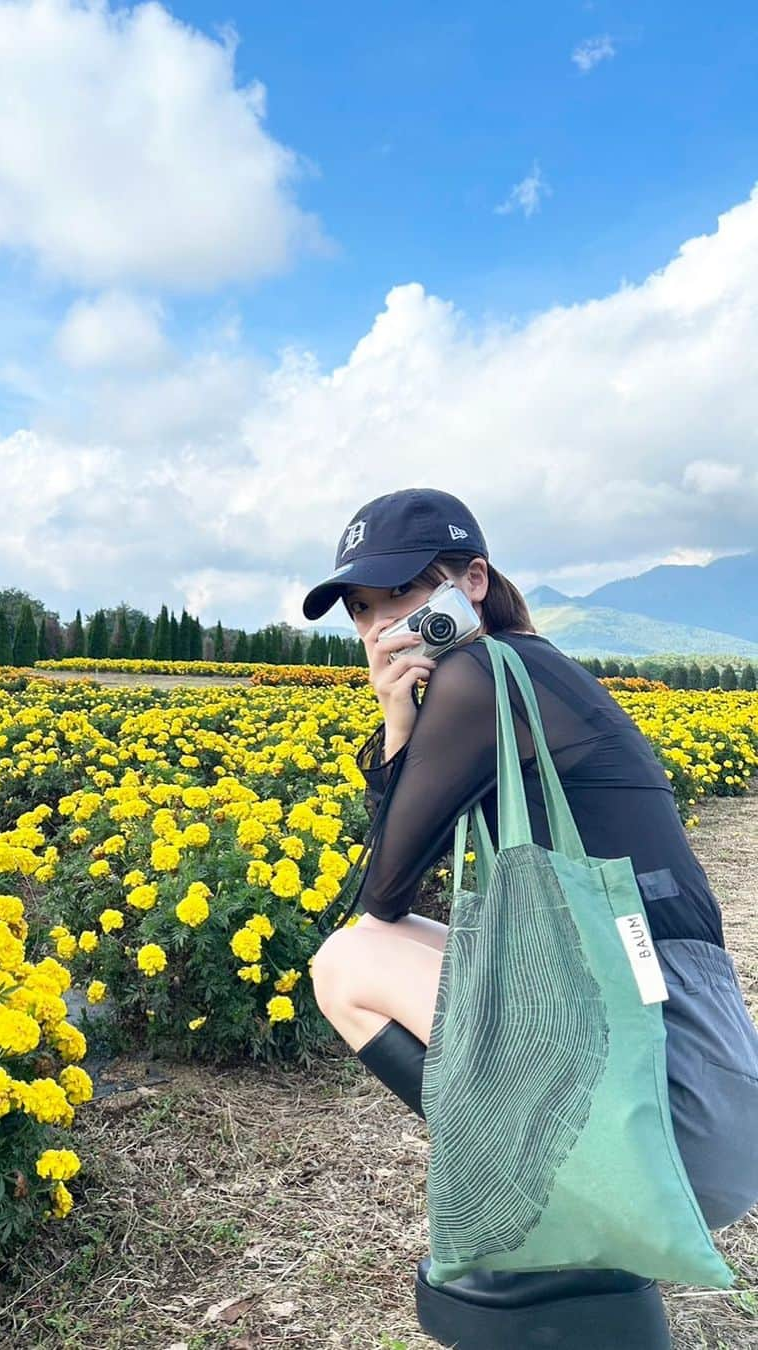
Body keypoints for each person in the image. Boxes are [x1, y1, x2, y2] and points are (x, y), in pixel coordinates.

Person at [301, 487, 758, 1348]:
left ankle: (537, 1189)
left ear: (471, 582)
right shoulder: (530, 666)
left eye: (404, 593)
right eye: (362, 608)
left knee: (347, 964)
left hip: (669, 1099)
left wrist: (395, 719)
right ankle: (550, 1188)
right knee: (377, 950)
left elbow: (383, 891)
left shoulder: (481, 675)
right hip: (703, 1076)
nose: (380, 625)